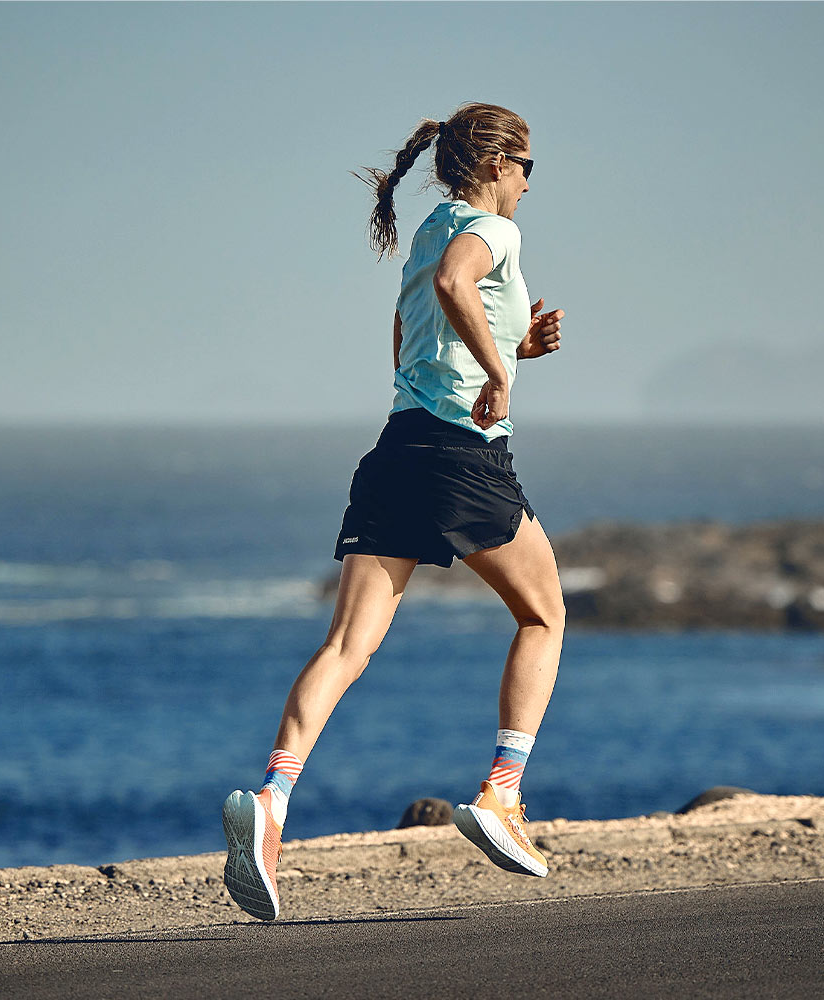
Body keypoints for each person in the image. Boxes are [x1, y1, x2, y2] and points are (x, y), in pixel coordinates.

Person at [222, 102, 566, 921]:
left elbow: (414, 331)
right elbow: (457, 287)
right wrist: (498, 375)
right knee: (545, 615)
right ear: (496, 163)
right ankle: (502, 796)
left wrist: (511, 347)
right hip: (461, 459)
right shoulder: (492, 230)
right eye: (528, 168)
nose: (528, 185)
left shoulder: (431, 229)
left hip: (396, 453)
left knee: (347, 644)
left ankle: (273, 798)